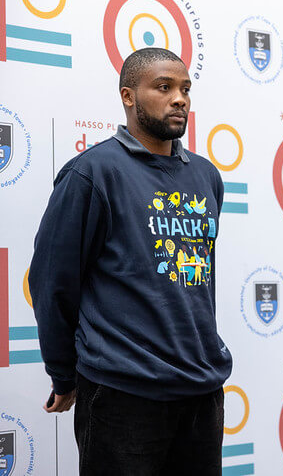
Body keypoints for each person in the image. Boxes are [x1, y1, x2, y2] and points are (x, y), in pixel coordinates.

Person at [29, 48, 232, 475]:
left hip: (201, 390)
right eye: (164, 87)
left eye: (185, 89)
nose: (180, 98)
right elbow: (53, 283)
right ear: (128, 95)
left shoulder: (207, 176)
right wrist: (63, 376)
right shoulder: (92, 173)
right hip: (123, 392)